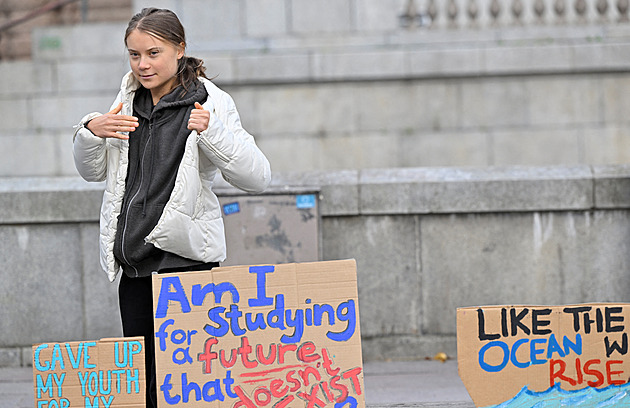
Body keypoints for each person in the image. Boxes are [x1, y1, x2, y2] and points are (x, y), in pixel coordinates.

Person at [72, 7, 271, 407]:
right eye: (134, 54)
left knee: (191, 389)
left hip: (186, 266)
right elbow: (92, 173)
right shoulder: (126, 100)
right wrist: (89, 132)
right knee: (145, 389)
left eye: (153, 53)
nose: (142, 65)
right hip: (134, 263)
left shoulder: (209, 101)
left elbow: (257, 177)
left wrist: (211, 131)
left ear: (179, 49)